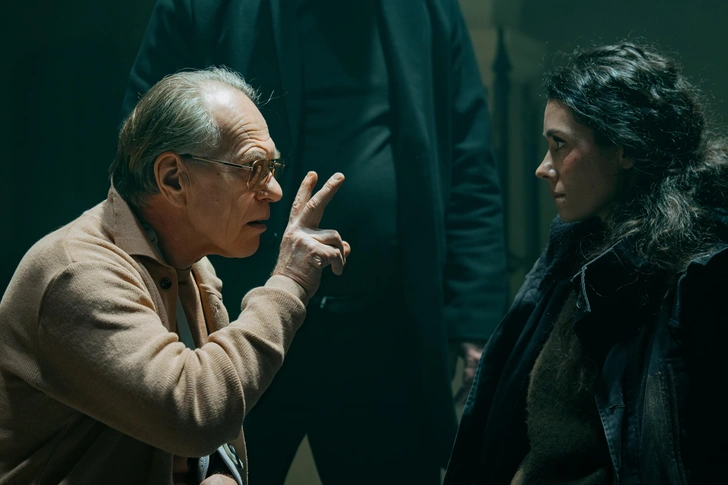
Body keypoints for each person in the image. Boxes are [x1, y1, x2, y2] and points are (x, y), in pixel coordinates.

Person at [122, 0, 507, 482]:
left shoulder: (428, 9)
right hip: (236, 319)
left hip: (385, 328)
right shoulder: (205, 8)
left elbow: (469, 162)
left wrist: (474, 319)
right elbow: (143, 148)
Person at [0, 67, 350, 485]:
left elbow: (193, 438)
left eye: (272, 167)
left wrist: (221, 472)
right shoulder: (78, 275)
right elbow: (194, 416)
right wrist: (289, 281)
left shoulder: (190, 260)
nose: (274, 191)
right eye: (253, 167)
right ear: (172, 178)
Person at [444, 42, 728, 485]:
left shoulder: (692, 285)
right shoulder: (571, 255)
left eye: (559, 144)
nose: (543, 168)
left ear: (623, 149)